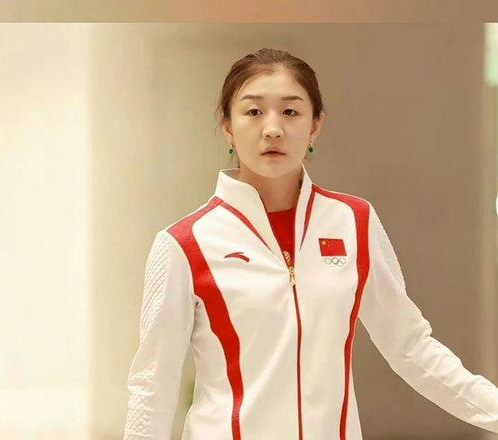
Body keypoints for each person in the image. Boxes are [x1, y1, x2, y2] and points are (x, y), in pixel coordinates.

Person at [122, 48, 498, 440]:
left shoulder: (353, 222)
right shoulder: (185, 244)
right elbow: (153, 385)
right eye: (253, 111)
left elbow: (411, 347)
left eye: (291, 112)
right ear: (228, 126)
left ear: (315, 126)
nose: (273, 128)